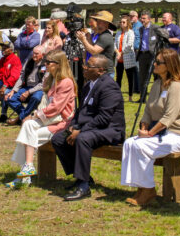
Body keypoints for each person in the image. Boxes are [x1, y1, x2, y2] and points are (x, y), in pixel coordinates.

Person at [121, 48, 180, 205]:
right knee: (129, 143)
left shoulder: (177, 86)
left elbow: (169, 117)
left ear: (169, 65)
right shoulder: (157, 84)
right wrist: (144, 127)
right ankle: (140, 187)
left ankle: (148, 190)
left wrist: (150, 134)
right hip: (161, 134)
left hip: (179, 135)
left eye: (158, 62)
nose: (154, 64)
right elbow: (148, 110)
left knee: (141, 146)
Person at [51, 54, 126, 201]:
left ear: (100, 70)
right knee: (58, 139)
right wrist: (73, 126)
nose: (84, 67)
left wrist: (81, 130)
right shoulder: (88, 85)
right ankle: (80, 177)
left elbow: (104, 117)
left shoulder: (109, 86)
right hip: (91, 127)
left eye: (89, 66)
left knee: (83, 139)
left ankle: (84, 187)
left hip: (110, 129)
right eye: (85, 64)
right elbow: (80, 112)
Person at [7, 50, 77, 188]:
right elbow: (46, 104)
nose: (45, 65)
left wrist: (35, 115)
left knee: (29, 134)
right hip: (50, 119)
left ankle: (25, 175)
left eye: (48, 62)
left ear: (58, 64)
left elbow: (56, 108)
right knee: (27, 128)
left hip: (61, 123)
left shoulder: (66, 82)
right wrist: (35, 115)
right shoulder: (51, 79)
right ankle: (28, 167)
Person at [3, 45, 46, 126]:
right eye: (33, 53)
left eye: (36, 54)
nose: (34, 55)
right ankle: (26, 116)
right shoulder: (29, 61)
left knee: (36, 98)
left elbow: (43, 84)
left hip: (39, 89)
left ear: (43, 55)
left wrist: (28, 92)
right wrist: (13, 90)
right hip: (27, 86)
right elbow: (21, 77)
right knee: (9, 97)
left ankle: (19, 118)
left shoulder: (46, 64)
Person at [77, 10, 116, 78]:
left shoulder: (105, 36)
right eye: (97, 20)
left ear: (106, 23)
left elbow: (94, 51)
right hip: (101, 71)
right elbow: (94, 47)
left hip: (105, 72)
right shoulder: (102, 35)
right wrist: (89, 39)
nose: (97, 22)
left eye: (100, 21)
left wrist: (83, 40)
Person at [137, 10, 162, 100]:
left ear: (149, 19)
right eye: (141, 18)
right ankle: (142, 98)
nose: (142, 20)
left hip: (153, 55)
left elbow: (165, 35)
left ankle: (157, 96)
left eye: (144, 18)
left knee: (156, 76)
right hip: (143, 55)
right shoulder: (141, 29)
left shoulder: (155, 28)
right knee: (142, 77)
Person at [115, 16, 136, 102]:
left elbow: (129, 44)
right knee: (118, 78)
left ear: (127, 23)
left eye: (123, 22)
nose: (122, 24)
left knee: (130, 78)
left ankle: (130, 96)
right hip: (119, 59)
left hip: (127, 58)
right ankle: (118, 96)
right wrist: (117, 53)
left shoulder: (130, 32)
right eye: (121, 22)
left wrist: (121, 53)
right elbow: (114, 44)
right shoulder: (118, 33)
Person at [128, 10, 142, 94]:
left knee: (138, 70)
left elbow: (140, 38)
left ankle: (138, 88)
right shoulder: (133, 26)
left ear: (136, 16)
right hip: (133, 50)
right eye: (130, 16)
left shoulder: (139, 26)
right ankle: (135, 88)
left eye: (132, 16)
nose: (131, 17)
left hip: (137, 50)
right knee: (135, 70)